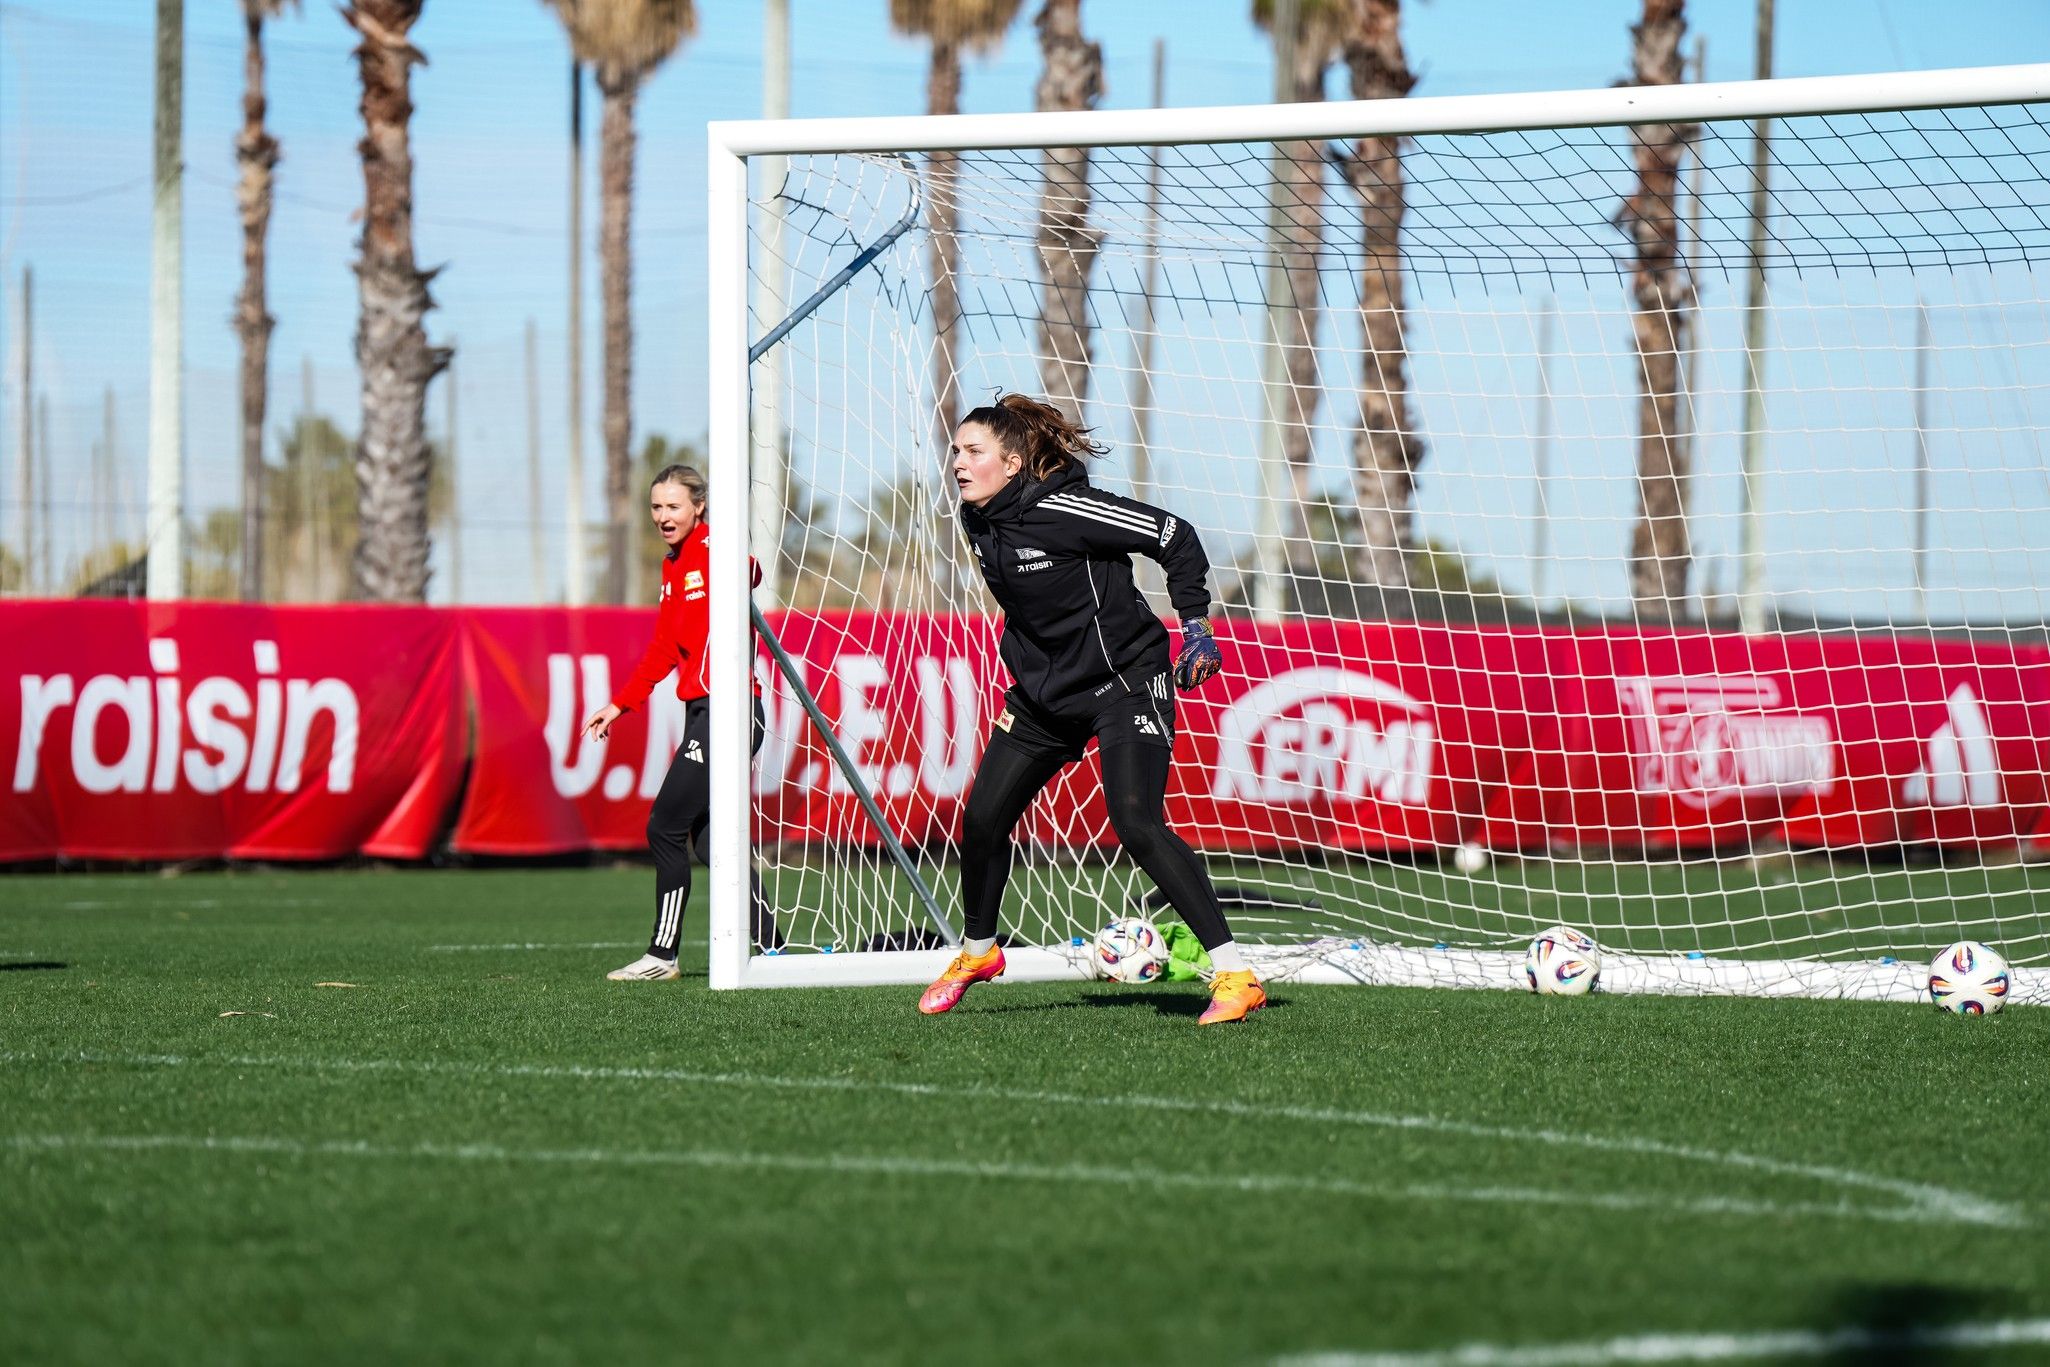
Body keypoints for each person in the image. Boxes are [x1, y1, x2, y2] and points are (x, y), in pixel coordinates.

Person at [918, 393, 1266, 1026]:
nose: (960, 465)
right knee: (982, 821)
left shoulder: (1065, 509)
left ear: (1015, 461)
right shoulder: (978, 520)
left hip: (1126, 680)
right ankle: (979, 952)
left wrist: (1194, 625)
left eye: (974, 453)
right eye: (956, 452)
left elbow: (1174, 536)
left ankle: (1236, 974)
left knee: (1134, 821)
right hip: (1043, 696)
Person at [584, 464, 781, 981]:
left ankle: (663, 955)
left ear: (698, 506)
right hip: (704, 711)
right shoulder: (673, 568)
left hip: (729, 711)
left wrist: (729, 552)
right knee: (708, 842)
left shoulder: (712, 548)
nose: (663, 516)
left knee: (664, 828)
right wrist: (619, 704)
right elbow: (663, 649)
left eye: (673, 506)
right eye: (656, 507)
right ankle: (773, 947)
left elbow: (751, 570)